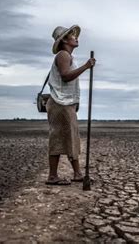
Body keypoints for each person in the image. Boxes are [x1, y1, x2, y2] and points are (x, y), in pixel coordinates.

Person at [45, 25, 96, 185]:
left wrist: (75, 103)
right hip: (60, 103)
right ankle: (53, 176)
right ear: (65, 40)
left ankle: (77, 173)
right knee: (59, 137)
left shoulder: (67, 56)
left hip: (65, 103)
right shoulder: (63, 55)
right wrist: (86, 67)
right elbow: (66, 76)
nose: (76, 37)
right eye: (72, 36)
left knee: (70, 137)